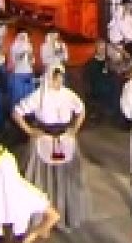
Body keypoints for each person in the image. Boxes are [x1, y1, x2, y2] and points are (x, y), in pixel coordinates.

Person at [13, 65, 89, 229]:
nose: (58, 81)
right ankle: (40, 218)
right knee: (41, 180)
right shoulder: (38, 96)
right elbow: (17, 112)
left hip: (65, 141)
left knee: (65, 179)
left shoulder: (68, 94)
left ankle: (62, 215)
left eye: (61, 77)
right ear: (49, 78)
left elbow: (81, 110)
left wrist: (74, 129)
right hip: (44, 140)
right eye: (55, 77)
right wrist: (30, 130)